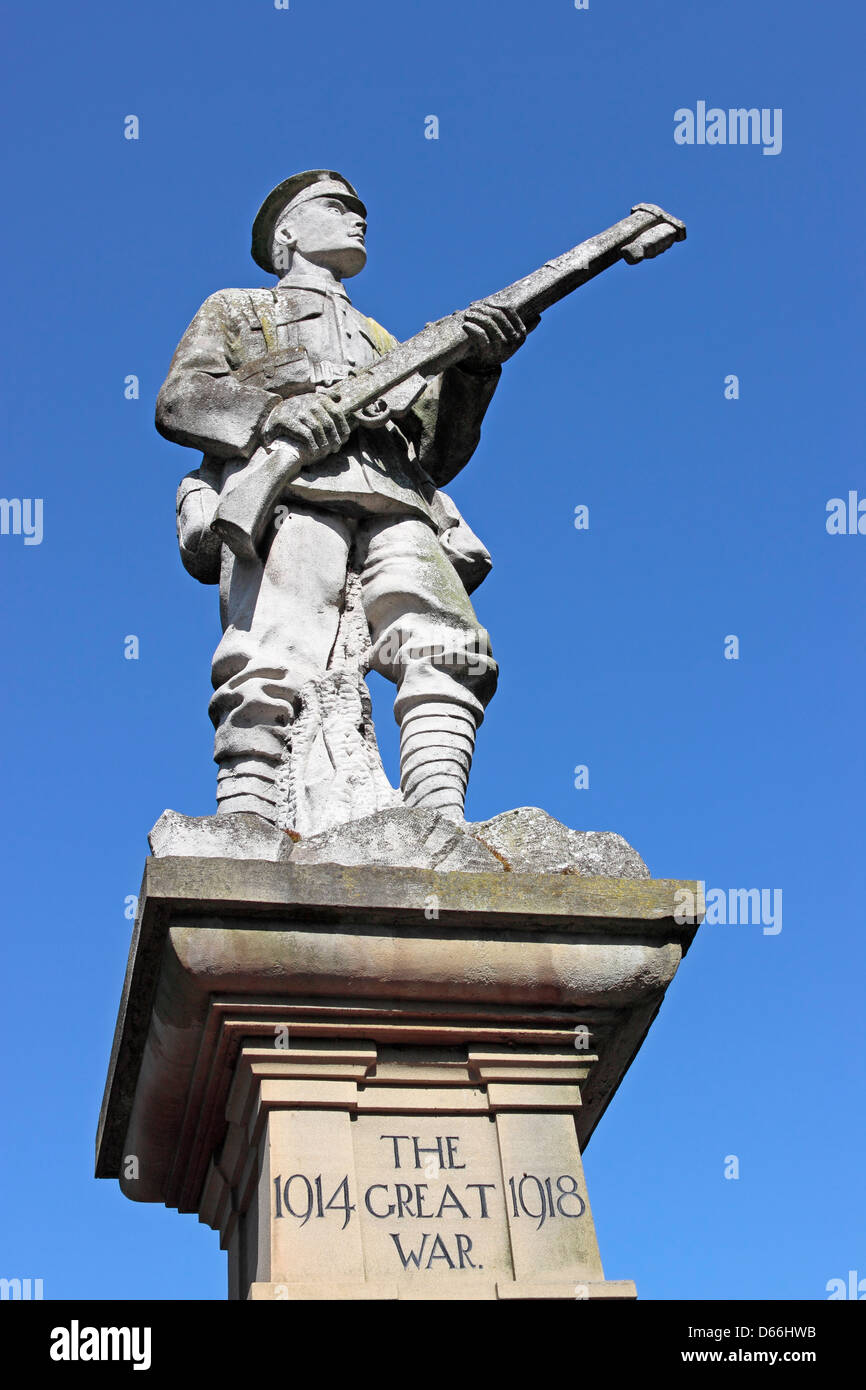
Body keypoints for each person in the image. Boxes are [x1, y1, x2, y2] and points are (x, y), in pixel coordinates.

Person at [156, 170, 533, 826]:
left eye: (359, 209)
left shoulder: (384, 339)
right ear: (289, 233)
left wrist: (477, 367)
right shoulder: (238, 310)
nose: (359, 219)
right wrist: (270, 416)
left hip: (398, 500)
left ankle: (439, 819)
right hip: (290, 496)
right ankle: (249, 818)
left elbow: (436, 455)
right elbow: (181, 400)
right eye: (337, 207)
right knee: (274, 647)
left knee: (448, 643)